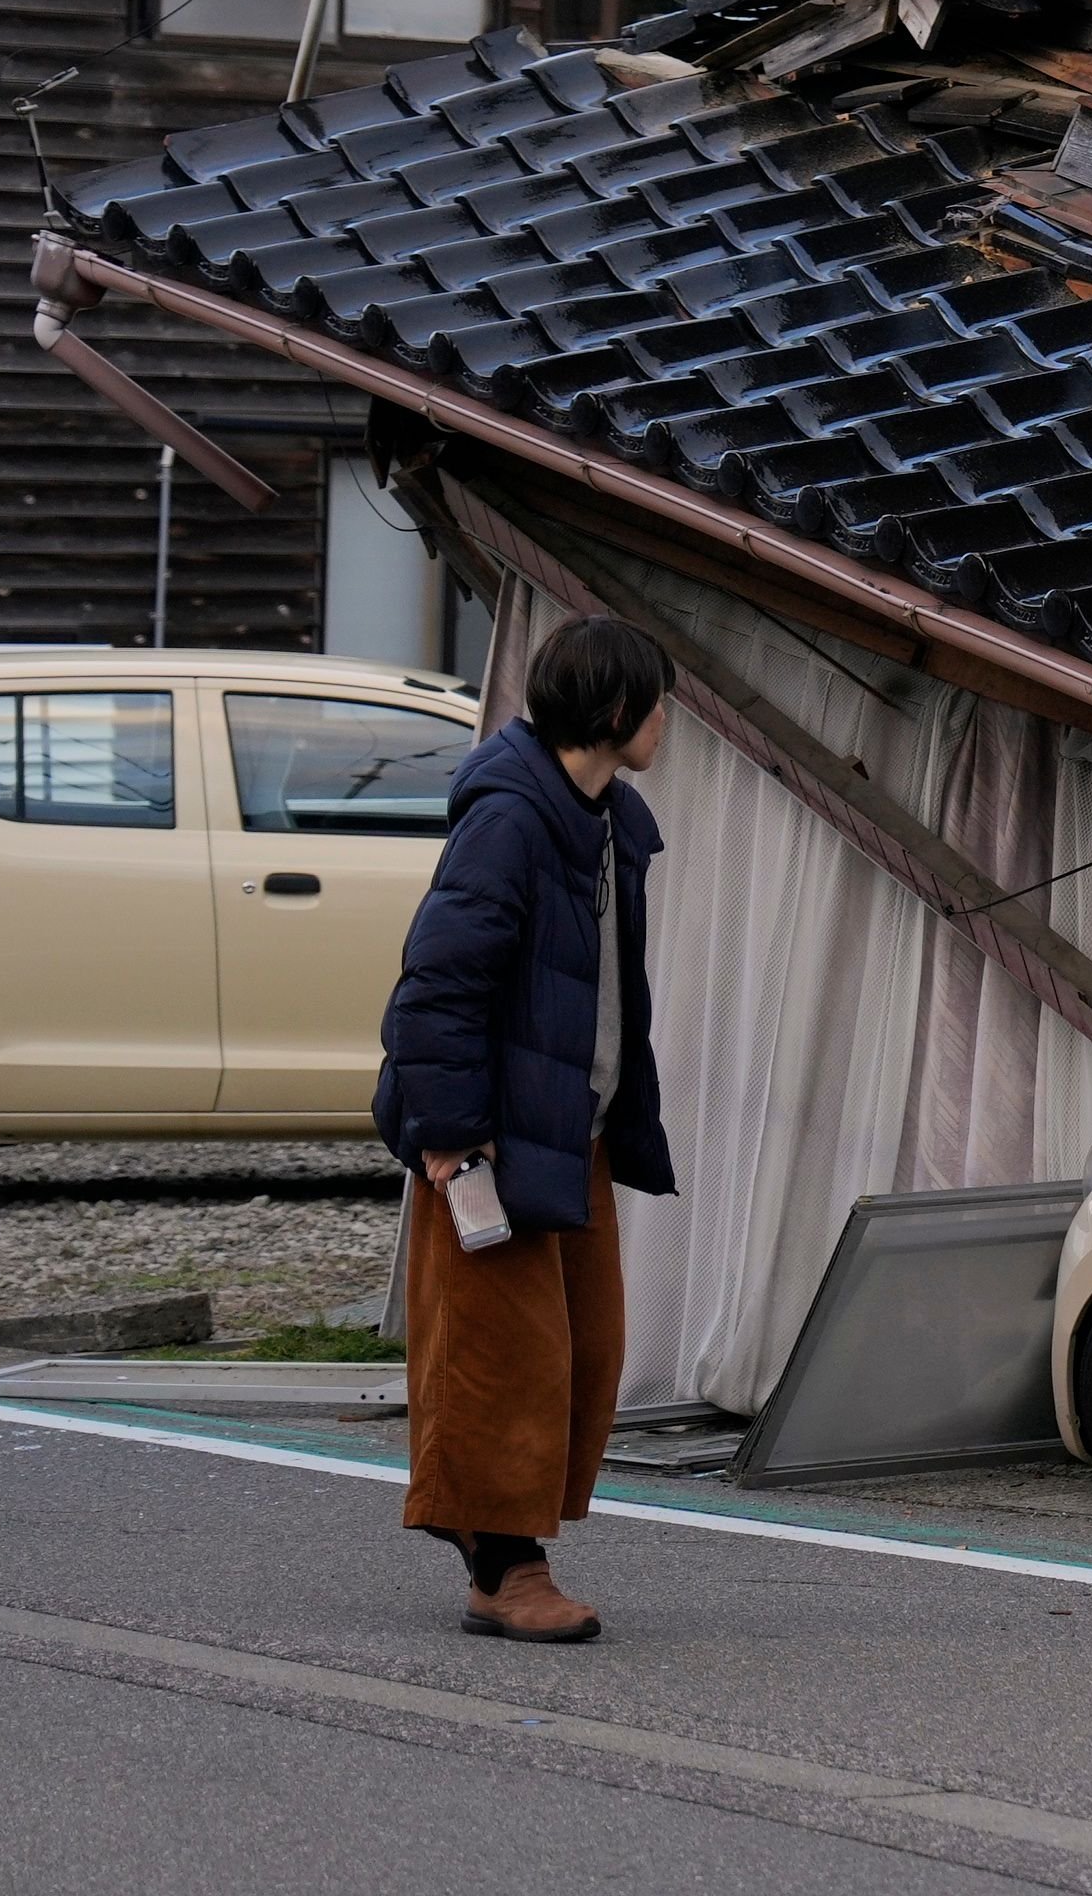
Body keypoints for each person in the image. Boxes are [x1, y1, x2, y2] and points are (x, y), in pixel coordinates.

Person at [376, 613, 680, 1643]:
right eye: (657, 703)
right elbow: (435, 989)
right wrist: (455, 1135)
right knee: (506, 1358)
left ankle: (499, 1554)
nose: (666, 722)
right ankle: (507, 1570)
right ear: (616, 711)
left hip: (569, 1128)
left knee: (584, 1354)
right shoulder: (510, 821)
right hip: (493, 1137)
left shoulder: (603, 819)